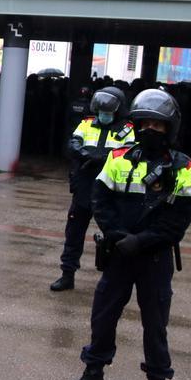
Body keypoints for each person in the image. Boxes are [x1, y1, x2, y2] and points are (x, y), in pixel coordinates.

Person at [65, 89, 191, 380]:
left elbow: (177, 221)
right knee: (102, 317)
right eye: (145, 124)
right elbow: (100, 199)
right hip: (118, 254)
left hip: (154, 259)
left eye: (158, 125)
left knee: (155, 325)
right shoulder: (117, 159)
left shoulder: (185, 168)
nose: (151, 130)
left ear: (170, 128)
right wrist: (117, 236)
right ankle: (93, 373)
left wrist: (140, 242)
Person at [50, 87, 136, 292]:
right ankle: (67, 274)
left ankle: (115, 279)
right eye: (101, 110)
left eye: (109, 111)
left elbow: (130, 154)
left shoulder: (128, 128)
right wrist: (83, 153)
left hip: (111, 192)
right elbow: (73, 143)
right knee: (73, 233)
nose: (104, 114)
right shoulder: (87, 123)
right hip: (84, 188)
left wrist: (100, 158)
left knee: (115, 234)